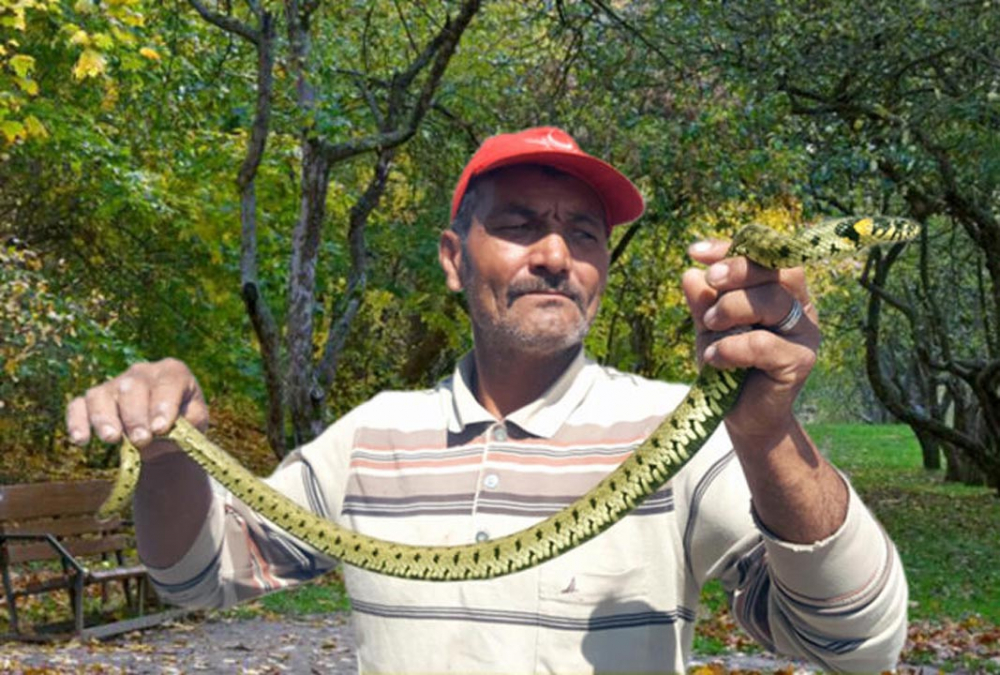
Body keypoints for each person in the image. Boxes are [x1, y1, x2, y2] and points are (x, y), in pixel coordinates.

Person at [66, 127, 907, 673]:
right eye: (517, 224)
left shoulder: (681, 435)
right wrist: (169, 452)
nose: (554, 253)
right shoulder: (371, 436)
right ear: (452, 257)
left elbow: (857, 643)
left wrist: (770, 438)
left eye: (584, 233)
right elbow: (198, 577)